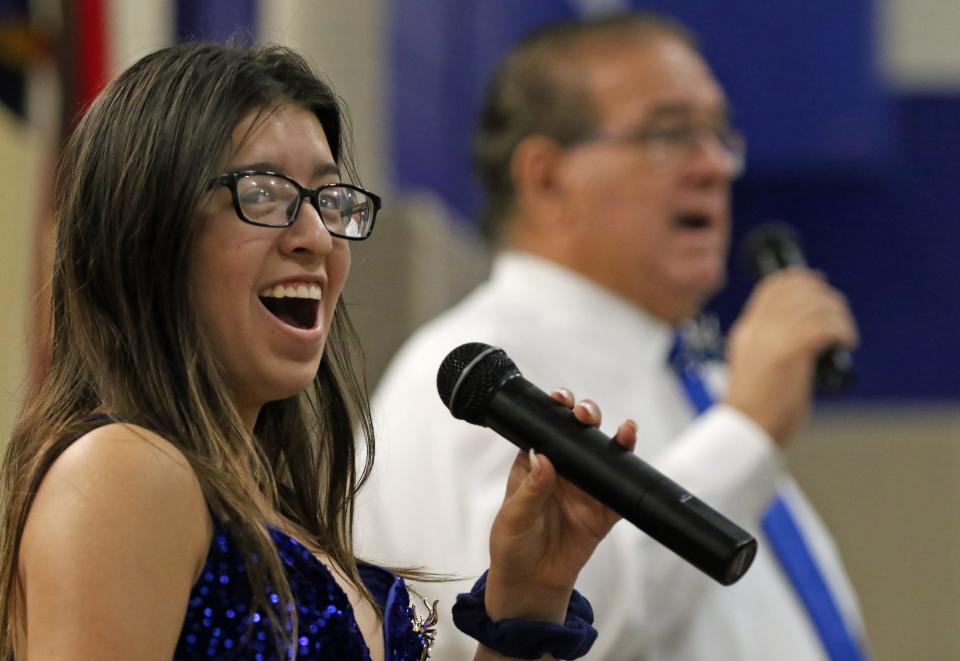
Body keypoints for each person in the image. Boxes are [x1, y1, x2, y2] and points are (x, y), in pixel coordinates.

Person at [0, 42, 639, 660]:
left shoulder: (260, 498)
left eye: (329, 201)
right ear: (144, 229)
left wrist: (529, 597)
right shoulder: (123, 470)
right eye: (263, 195)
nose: (317, 237)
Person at [355, 12, 867, 661]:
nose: (714, 166)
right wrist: (748, 432)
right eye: (671, 133)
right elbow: (500, 632)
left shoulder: (693, 379)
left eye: (718, 134)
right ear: (545, 175)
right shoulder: (463, 380)